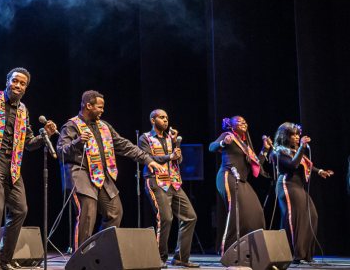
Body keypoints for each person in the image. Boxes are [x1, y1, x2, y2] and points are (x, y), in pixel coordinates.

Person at [0, 67, 57, 270]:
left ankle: (5, 259)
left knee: (20, 209)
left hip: (13, 166)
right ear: (7, 81)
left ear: (26, 88)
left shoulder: (23, 110)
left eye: (22, 83)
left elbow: (29, 143)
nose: (18, 85)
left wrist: (45, 135)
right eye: (15, 81)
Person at [57, 90, 162, 249]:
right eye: (99, 107)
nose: (102, 110)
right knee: (88, 214)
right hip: (81, 175)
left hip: (101, 176)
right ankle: (81, 257)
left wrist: (148, 160)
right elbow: (61, 151)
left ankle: (99, 250)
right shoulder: (71, 126)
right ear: (88, 106)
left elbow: (124, 145)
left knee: (115, 212)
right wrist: (77, 142)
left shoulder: (104, 126)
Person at [138, 109, 199, 268]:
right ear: (153, 120)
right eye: (162, 117)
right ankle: (158, 258)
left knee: (190, 217)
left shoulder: (170, 138)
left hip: (173, 182)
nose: (166, 120)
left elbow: (178, 160)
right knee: (165, 218)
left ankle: (181, 257)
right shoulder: (145, 138)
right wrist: (169, 156)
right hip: (156, 181)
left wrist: (176, 147)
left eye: (166, 118)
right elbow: (147, 158)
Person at [208, 115, 272, 255]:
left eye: (245, 121)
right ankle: (228, 250)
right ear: (231, 125)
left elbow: (257, 164)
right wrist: (223, 143)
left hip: (241, 180)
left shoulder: (245, 145)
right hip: (227, 176)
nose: (244, 122)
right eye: (239, 121)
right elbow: (211, 147)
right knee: (236, 212)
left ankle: (250, 249)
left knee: (256, 212)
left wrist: (265, 149)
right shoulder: (228, 135)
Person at [271, 122, 333, 264]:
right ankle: (295, 255)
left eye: (297, 134)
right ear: (284, 136)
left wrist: (320, 171)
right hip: (287, 185)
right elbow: (293, 165)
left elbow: (306, 164)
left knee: (312, 216)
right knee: (294, 219)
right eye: (293, 135)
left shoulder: (295, 151)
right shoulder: (278, 151)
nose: (297, 137)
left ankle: (306, 254)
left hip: (298, 187)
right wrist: (302, 148)